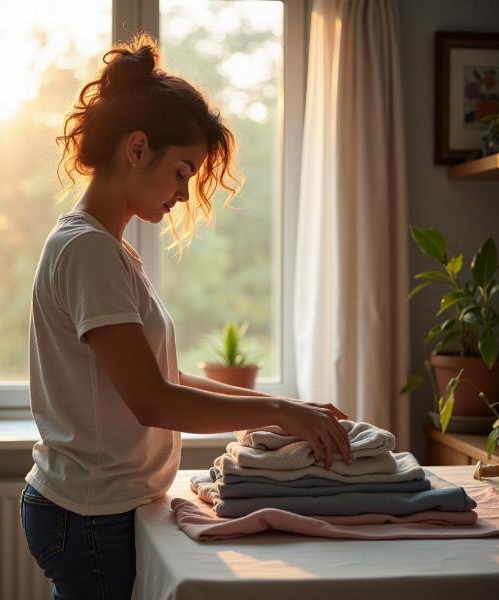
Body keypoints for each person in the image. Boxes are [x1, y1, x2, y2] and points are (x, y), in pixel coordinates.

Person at [20, 32, 351, 600]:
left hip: (96, 509)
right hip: (91, 516)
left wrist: (278, 412)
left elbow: (160, 379)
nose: (183, 192)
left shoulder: (107, 248)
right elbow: (153, 403)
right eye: (181, 171)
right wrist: (275, 408)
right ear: (137, 147)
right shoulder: (88, 250)